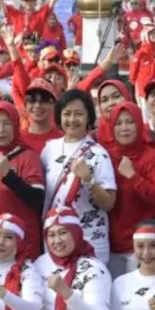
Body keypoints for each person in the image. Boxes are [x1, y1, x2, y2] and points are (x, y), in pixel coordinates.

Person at [40, 89, 117, 263]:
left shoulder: (99, 154)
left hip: (89, 239)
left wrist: (89, 180)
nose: (72, 120)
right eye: (67, 114)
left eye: (79, 114)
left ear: (88, 117)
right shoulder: (49, 149)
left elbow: (109, 203)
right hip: (56, 239)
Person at [104, 103, 155, 277]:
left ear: (139, 124)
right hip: (110, 245)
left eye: (130, 122)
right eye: (118, 123)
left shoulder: (152, 157)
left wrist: (134, 176)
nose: (124, 128)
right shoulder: (106, 156)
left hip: (143, 245)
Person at [0, 102, 45, 263]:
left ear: (15, 126)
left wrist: (9, 176)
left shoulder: (28, 156)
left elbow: (36, 199)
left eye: (7, 123)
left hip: (22, 245)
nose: (1, 130)